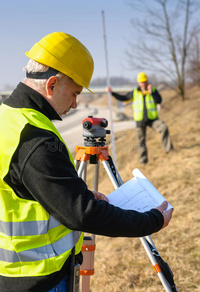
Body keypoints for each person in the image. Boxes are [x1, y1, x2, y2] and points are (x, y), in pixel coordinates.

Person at [0, 33, 173, 292]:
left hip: (14, 271)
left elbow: (24, 187)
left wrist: (72, 193)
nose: (75, 103)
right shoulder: (35, 137)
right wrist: (152, 220)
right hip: (40, 278)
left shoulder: (9, 117)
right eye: (74, 93)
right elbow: (81, 214)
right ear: (52, 85)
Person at [106, 72, 173, 164]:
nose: (143, 83)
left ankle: (169, 150)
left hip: (152, 119)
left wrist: (152, 93)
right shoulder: (134, 92)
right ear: (138, 82)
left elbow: (159, 100)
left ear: (147, 81)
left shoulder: (153, 90)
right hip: (140, 121)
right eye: (141, 82)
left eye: (145, 81)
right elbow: (124, 98)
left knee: (164, 128)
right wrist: (112, 93)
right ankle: (143, 161)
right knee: (141, 141)